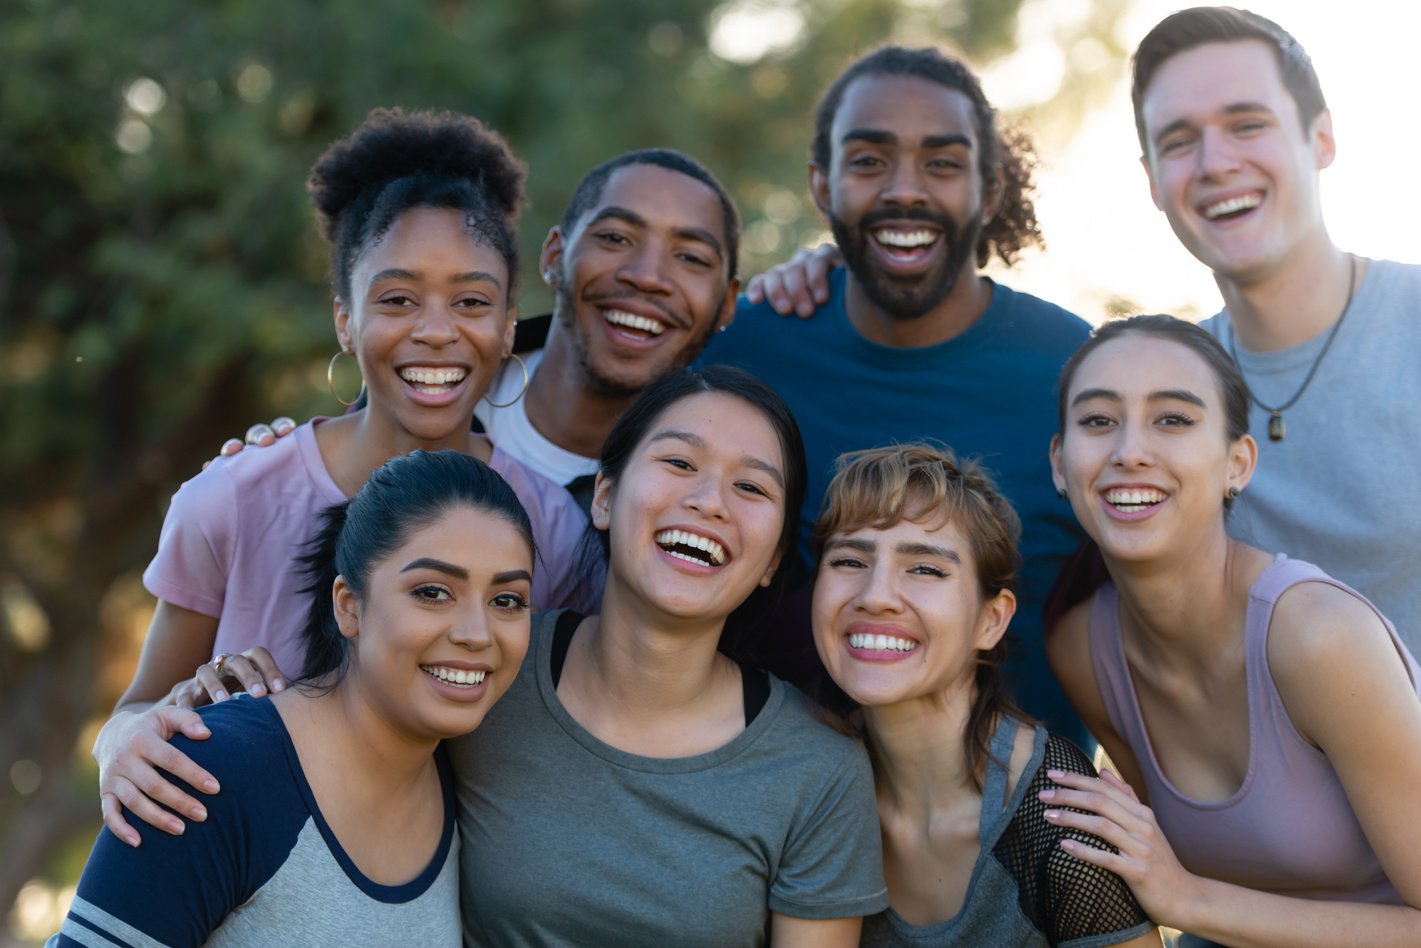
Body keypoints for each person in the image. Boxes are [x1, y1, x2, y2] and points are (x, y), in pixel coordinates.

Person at [101, 366, 889, 945]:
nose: (708, 501)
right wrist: (137, 732)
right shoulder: (481, 678)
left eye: (751, 488)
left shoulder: (814, 772)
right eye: (678, 463)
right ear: (605, 498)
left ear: (776, 559)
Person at [94, 108, 594, 845]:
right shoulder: (233, 498)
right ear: (343, 319)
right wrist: (120, 749)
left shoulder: (551, 528)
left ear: (508, 319)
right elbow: (135, 710)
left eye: (471, 302)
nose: (435, 330)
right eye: (396, 299)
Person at [704, 45, 1091, 743]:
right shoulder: (748, 350)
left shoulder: (1076, 372)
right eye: (869, 161)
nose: (904, 190)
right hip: (788, 820)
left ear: (991, 188)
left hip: (1024, 826)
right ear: (822, 187)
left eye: (941, 163)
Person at [51, 449, 535, 946]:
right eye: (432, 592)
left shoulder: (467, 786)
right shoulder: (212, 774)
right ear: (349, 607)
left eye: (507, 601)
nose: (478, 634)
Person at [1045, 315, 1421, 946]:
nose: (1129, 450)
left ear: (1236, 463)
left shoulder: (1317, 637)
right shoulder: (1083, 647)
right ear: (1060, 464)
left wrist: (1187, 900)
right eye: (1098, 420)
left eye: (1173, 419)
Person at [1128, 7, 1421, 651]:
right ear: (1152, 180)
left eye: (1247, 124)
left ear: (1321, 138)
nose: (1214, 163)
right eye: (1178, 140)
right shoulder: (1160, 396)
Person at [239, 147, 743, 512]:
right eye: (614, 237)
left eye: (691, 257)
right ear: (554, 256)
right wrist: (267, 470)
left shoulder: (703, 498)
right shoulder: (407, 403)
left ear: (727, 303)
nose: (647, 275)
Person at [812, 443, 1158, 948]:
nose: (875, 595)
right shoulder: (804, 784)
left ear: (991, 620)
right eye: (848, 560)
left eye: (926, 568)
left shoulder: (1061, 822)